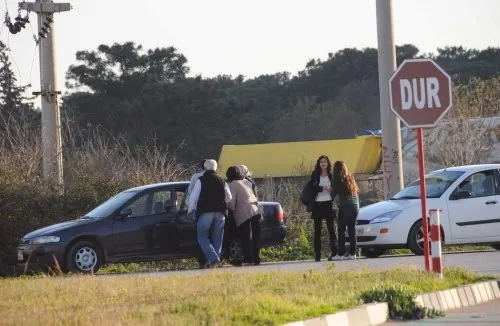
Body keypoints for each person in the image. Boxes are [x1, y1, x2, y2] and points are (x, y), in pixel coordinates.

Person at [188, 159, 232, 268]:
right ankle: (214, 262)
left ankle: (213, 258)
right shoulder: (222, 180)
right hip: (221, 213)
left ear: (205, 168)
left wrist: (190, 210)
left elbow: (193, 197)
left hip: (205, 212)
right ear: (216, 168)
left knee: (202, 236)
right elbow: (229, 197)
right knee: (218, 238)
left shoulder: (201, 180)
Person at [227, 166, 262, 266]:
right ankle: (256, 258)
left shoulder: (232, 184)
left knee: (246, 237)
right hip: (255, 210)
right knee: (255, 237)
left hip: (244, 213)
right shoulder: (247, 182)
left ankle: (248, 258)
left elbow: (231, 203)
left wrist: (230, 208)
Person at [309, 155, 340, 262]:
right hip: (317, 205)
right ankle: (317, 256)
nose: (323, 164)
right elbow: (312, 187)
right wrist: (321, 188)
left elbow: (336, 188)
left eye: (325, 162)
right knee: (317, 231)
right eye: (321, 162)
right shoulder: (315, 174)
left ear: (328, 164)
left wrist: (331, 189)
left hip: (328, 205)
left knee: (331, 230)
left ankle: (335, 253)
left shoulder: (331, 175)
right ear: (319, 163)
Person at [332, 161, 360, 260]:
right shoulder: (350, 178)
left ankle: (340, 255)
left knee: (341, 230)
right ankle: (353, 254)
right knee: (352, 230)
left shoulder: (337, 180)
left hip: (345, 207)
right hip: (356, 206)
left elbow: (332, 195)